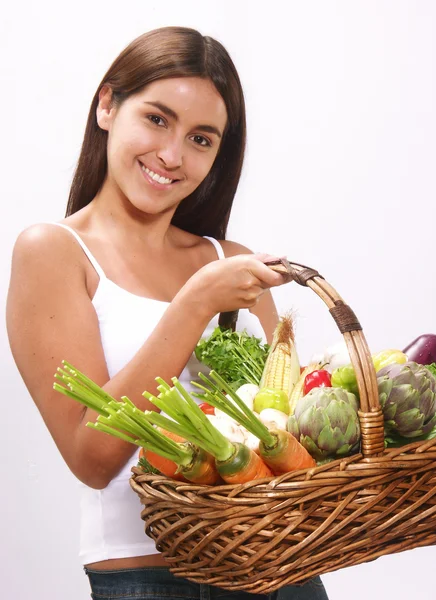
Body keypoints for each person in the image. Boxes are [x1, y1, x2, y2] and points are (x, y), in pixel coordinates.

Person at [6, 26, 328, 600]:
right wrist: (196, 302)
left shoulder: (233, 262)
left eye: (202, 139)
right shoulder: (54, 252)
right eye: (156, 119)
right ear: (107, 106)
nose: (172, 155)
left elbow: (287, 428)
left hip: (279, 567)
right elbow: (93, 458)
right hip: (152, 578)